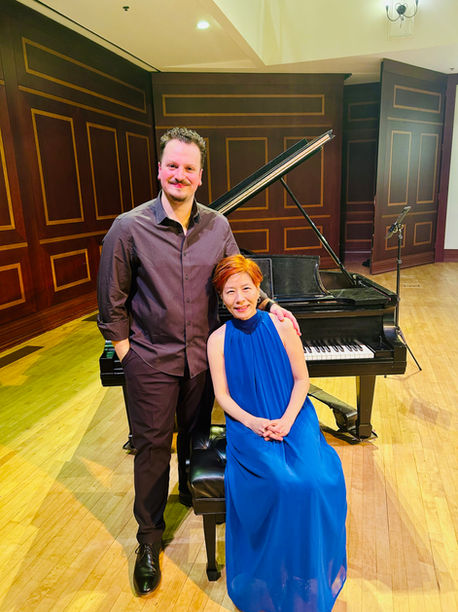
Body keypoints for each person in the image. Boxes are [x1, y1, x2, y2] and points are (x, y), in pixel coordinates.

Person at [97, 127, 298, 596]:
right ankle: (149, 540)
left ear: (200, 176)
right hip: (151, 360)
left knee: (196, 433)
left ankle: (191, 489)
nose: (180, 174)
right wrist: (129, 357)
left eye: (189, 168)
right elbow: (111, 303)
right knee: (151, 449)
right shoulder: (128, 228)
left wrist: (271, 306)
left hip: (203, 360)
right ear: (159, 169)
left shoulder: (218, 226)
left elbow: (237, 280)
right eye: (172, 165)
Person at [207, 254, 347, 612]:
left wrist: (286, 419)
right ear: (220, 297)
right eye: (230, 292)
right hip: (247, 424)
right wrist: (253, 422)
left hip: (293, 415)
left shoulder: (282, 325)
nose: (239, 299)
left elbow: (302, 380)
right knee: (282, 483)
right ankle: (273, 570)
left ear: (259, 288)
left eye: (246, 289)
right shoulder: (217, 340)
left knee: (315, 481)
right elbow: (223, 396)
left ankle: (304, 567)